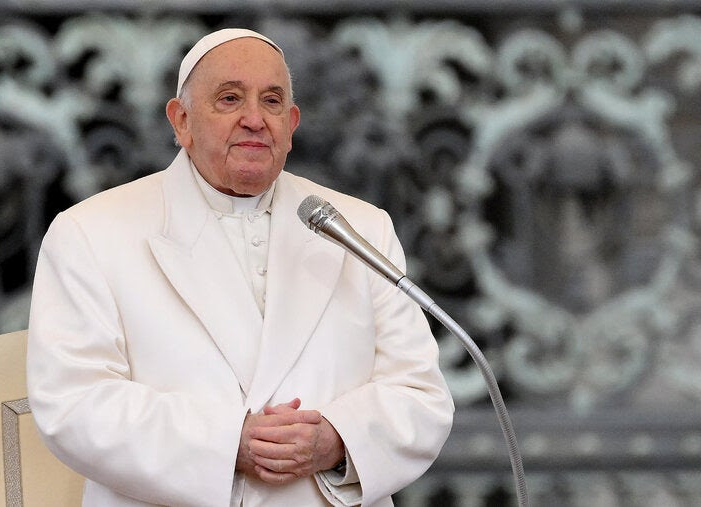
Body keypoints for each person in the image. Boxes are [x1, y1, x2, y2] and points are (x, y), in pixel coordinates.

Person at [26, 28, 454, 507]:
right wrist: (229, 443)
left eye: (272, 102)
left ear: (291, 124)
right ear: (181, 120)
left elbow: (420, 394)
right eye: (230, 99)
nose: (255, 119)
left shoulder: (360, 228)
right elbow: (74, 404)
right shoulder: (91, 232)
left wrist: (336, 438)